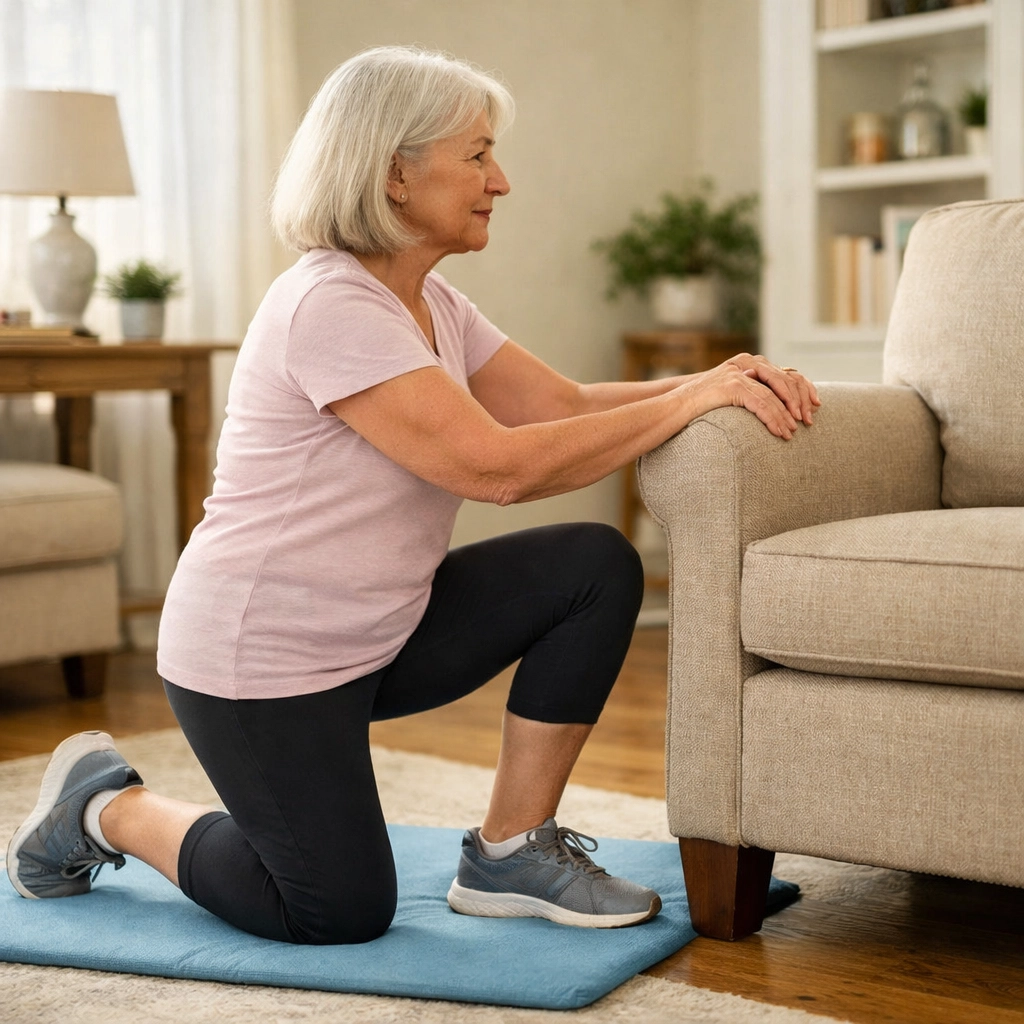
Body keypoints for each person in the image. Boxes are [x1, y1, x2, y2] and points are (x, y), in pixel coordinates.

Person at [7, 46, 819, 944]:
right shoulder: (330, 304)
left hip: (381, 630)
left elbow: (562, 406)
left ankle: (512, 851)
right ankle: (105, 809)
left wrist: (714, 378)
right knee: (335, 910)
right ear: (395, 172)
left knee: (590, 565)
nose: (499, 179)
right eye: (476, 155)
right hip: (262, 662)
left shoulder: (429, 299)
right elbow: (497, 467)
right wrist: (694, 399)